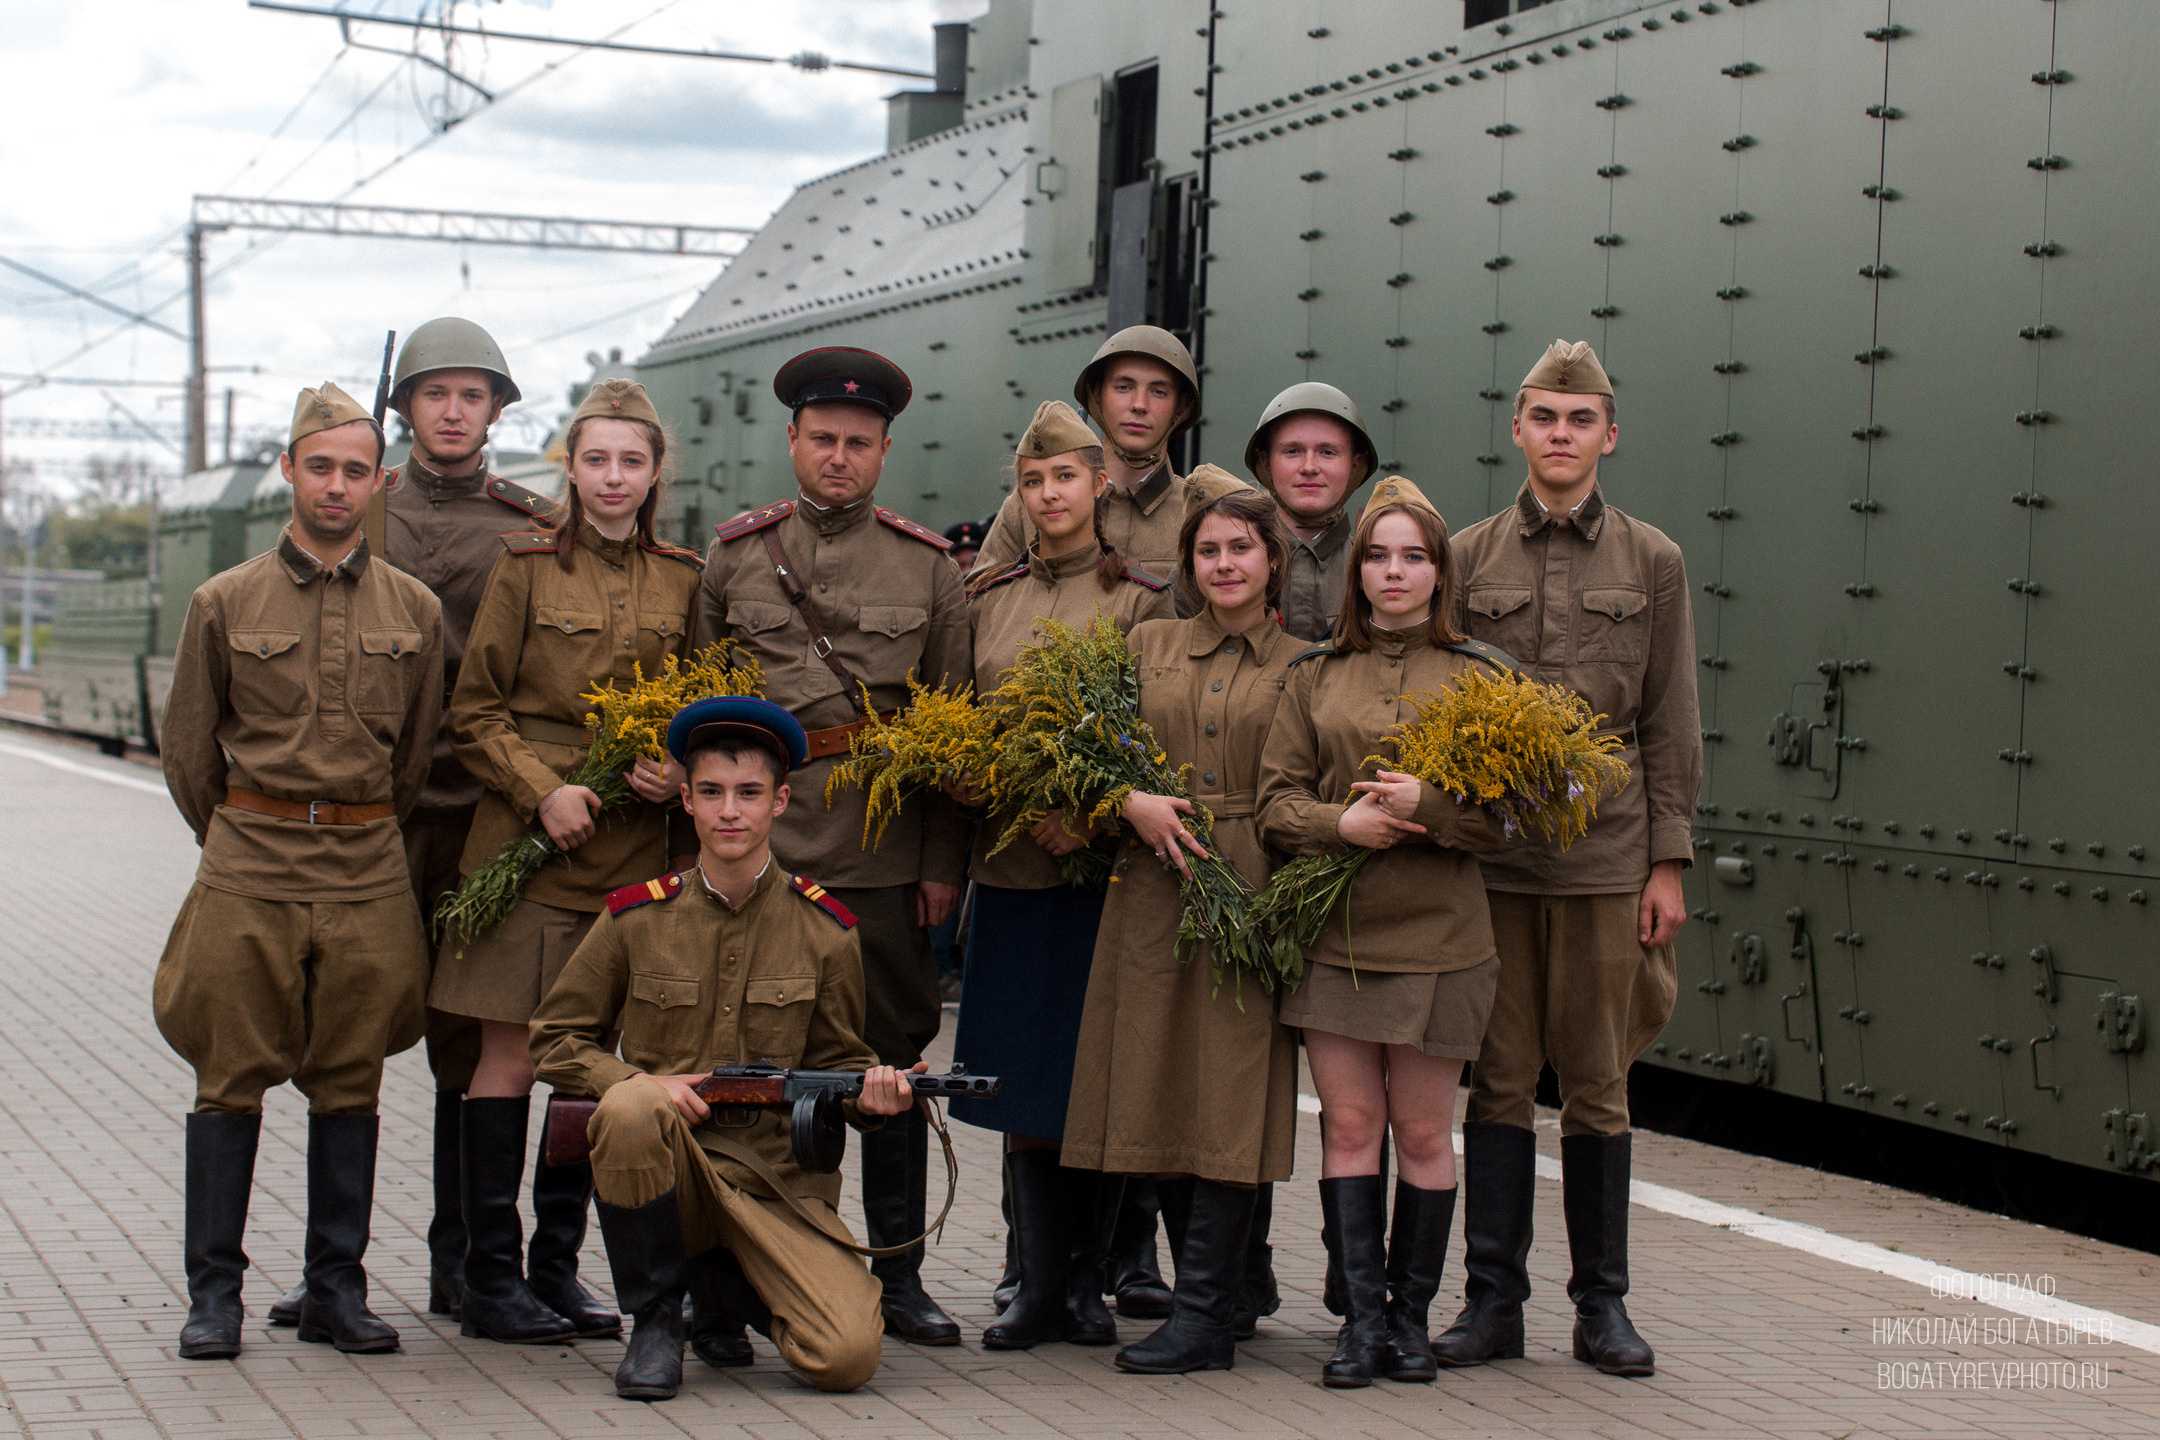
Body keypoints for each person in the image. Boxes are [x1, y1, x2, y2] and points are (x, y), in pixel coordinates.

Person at [261, 317, 562, 1333]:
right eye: (434, 393)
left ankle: (467, 1265)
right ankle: (330, 1272)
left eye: (473, 394)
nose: (452, 410)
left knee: (468, 1046)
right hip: (372, 816)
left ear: (496, 411)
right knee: (339, 1038)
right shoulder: (363, 513)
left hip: (482, 815)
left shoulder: (533, 525)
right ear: (403, 412)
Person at [154, 382, 443, 1359]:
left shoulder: (415, 609)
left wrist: (355, 827)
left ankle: (334, 1291)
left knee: (350, 1078)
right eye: (318, 465)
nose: (336, 485)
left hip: (366, 870)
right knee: (228, 1077)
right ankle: (214, 1298)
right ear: (288, 468)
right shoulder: (223, 600)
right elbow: (190, 755)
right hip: (251, 866)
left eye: (355, 470)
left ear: (379, 481)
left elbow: (413, 762)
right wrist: (246, 835)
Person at [691, 347, 971, 1348]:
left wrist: (942, 864)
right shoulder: (732, 559)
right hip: (761, 856)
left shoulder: (931, 569)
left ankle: (897, 1280)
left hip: (886, 859)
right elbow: (702, 717)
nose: (839, 458)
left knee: (890, 1065)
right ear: (794, 443)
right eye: (823, 440)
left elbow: (953, 732)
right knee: (750, 1069)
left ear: (885, 451)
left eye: (858, 444)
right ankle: (733, 1284)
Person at [530, 696, 925, 1399]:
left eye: (748, 794)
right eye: (711, 793)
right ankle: (656, 1321)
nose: (729, 812)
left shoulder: (826, 928)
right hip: (669, 1173)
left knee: (847, 1357)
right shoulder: (634, 918)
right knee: (626, 1110)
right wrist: (636, 1083)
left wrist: (877, 1096)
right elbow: (554, 1040)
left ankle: (719, 1289)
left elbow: (838, 1062)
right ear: (685, 801)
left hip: (777, 1190)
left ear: (780, 802)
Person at [1436, 340, 1700, 1378]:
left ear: (1608, 434)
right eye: (1544, 416)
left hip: (1605, 858)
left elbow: (1672, 718)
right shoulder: (1466, 556)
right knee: (1497, 1082)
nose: (1560, 434)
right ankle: (1492, 1303)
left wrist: (1667, 861)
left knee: (1598, 1085)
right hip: (1495, 867)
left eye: (1579, 419)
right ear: (1518, 427)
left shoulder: (1654, 561)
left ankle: (1604, 1309)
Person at [430, 378, 704, 1345]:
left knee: (588, 1074)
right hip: (531, 844)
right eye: (596, 460)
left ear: (656, 471)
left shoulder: (685, 578)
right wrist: (541, 789)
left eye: (632, 461)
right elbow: (475, 709)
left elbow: (704, 710)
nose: (614, 478)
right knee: (506, 1055)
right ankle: (489, 1278)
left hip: (631, 855)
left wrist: (677, 767)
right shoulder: (525, 566)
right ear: (570, 468)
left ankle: (557, 1273)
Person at [1256, 476, 1513, 1389]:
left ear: (1441, 574)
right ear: (1357, 571)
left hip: (1445, 942)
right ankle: (1360, 1323)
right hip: (1340, 939)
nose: (1394, 572)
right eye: (1378, 555)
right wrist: (1343, 827)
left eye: (1413, 556)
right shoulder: (1312, 676)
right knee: (1352, 1125)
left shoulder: (1486, 678)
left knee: (1424, 1135)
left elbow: (1519, 820)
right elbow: (1273, 803)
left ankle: (1411, 1322)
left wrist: (1433, 807)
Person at [1060, 467, 1300, 1375]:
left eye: (1243, 547)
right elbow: (1085, 749)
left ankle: (1207, 1311)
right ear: (1189, 564)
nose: (1226, 562)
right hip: (1153, 882)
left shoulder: (1305, 665)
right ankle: (1206, 1304)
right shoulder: (1146, 642)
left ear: (1273, 560)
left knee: (1231, 1092)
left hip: (1249, 886)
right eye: (1209, 549)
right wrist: (1129, 800)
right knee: (1156, 1077)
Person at [946, 400, 1175, 1351]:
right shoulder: (986, 597)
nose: (1048, 495)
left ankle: (1086, 1286)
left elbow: (1154, 731)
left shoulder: (1142, 599)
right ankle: (1038, 1286)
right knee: (1019, 1081)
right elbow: (957, 721)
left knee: (1094, 1078)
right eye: (1033, 481)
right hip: (1007, 873)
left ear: (1100, 484)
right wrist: (981, 777)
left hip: (1101, 876)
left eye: (1065, 478)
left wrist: (1084, 813)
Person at [966, 326, 1200, 586]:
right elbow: (980, 602)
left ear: (1180, 407)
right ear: (1097, 396)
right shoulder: (1027, 508)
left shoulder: (1197, 514)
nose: (1139, 405)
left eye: (1159, 391)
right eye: (1123, 387)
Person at [1244, 382, 1377, 645]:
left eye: (1327, 452)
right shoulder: (1223, 562)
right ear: (1267, 462)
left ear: (1355, 464)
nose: (1309, 467)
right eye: (1292, 451)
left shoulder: (1376, 568)